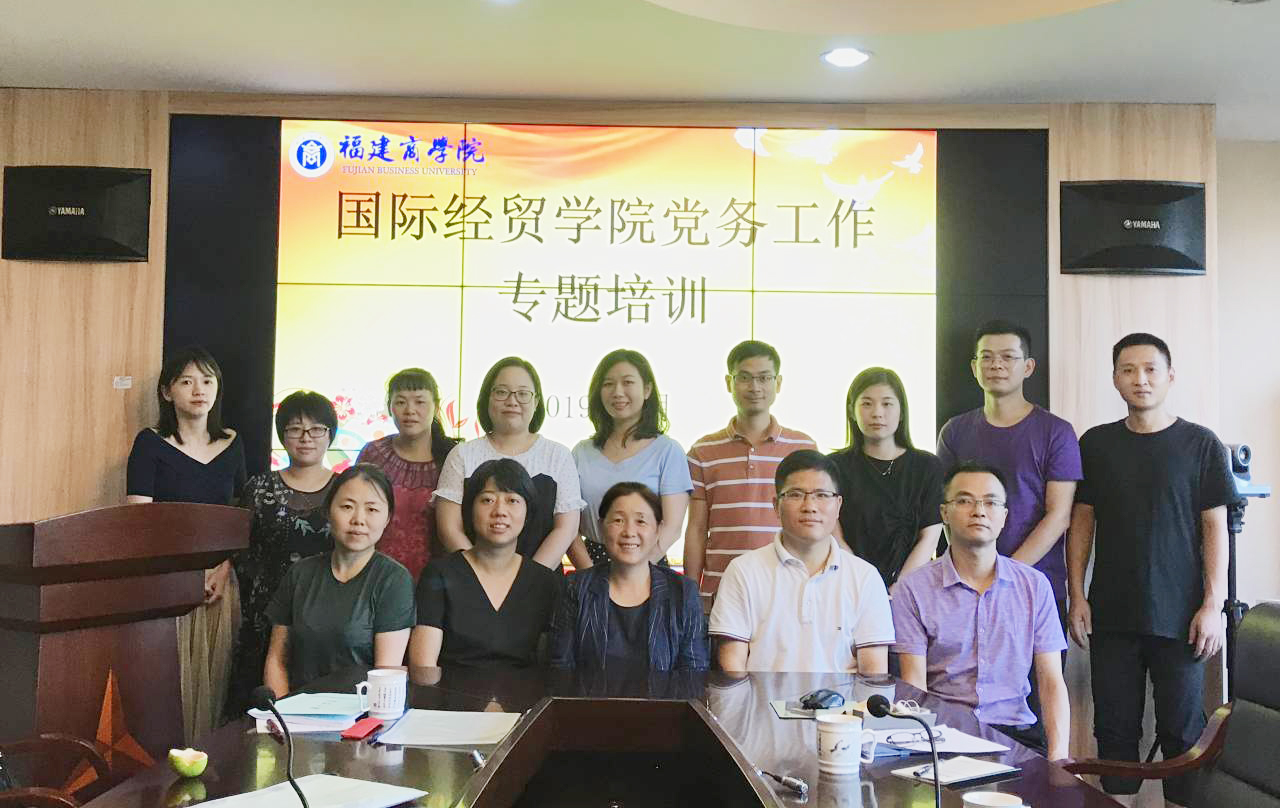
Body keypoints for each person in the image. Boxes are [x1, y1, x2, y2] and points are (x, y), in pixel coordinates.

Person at [1067, 333, 1235, 808]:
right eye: (1128, 370)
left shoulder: (1201, 444)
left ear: (1170, 376)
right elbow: (1081, 523)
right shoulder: (1096, 443)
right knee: (1114, 730)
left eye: (1150, 369)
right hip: (1112, 614)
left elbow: (1215, 527)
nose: (1139, 379)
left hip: (1182, 616)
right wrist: (1077, 595)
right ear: (1114, 378)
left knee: (1183, 732)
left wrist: (1212, 605)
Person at [891, 462, 1070, 760]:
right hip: (945, 736)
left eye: (991, 502)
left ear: (1004, 516)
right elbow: (914, 687)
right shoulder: (914, 589)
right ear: (944, 513)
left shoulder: (1034, 586)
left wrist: (1059, 759)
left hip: (1017, 737)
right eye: (964, 501)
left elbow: (1051, 680)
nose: (979, 511)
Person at [126, 346, 246, 742]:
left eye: (207, 381)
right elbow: (139, 522)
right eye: (187, 381)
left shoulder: (233, 443)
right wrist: (183, 577)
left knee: (217, 685)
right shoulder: (150, 443)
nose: (199, 390)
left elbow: (241, 516)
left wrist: (224, 567)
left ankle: (210, 767)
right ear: (167, 392)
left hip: (219, 583)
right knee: (167, 690)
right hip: (167, 584)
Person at [936, 321, 1082, 630]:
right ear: (974, 367)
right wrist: (971, 572)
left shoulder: (1056, 432)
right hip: (964, 589)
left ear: (1028, 367)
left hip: (1036, 587)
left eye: (1008, 357)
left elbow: (1059, 516)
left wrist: (1004, 574)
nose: (996, 365)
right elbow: (949, 509)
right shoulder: (955, 432)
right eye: (986, 357)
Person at [709, 450, 894, 673]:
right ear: (776, 505)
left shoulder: (865, 577)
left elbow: (874, 673)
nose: (810, 506)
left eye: (822, 495)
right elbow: (732, 666)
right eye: (796, 494)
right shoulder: (743, 571)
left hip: (842, 697)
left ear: (838, 505)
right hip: (760, 697)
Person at [685, 340, 817, 613]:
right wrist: (690, 592)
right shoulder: (702, 451)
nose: (755, 387)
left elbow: (814, 526)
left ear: (778, 383)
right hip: (721, 594)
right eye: (744, 377)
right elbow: (696, 529)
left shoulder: (803, 448)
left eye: (764, 378)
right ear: (729, 382)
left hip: (789, 593)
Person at [227, 390, 337, 716]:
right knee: (258, 707)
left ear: (330, 434)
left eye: (316, 429)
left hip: (324, 612)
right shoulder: (259, 487)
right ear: (282, 435)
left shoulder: (345, 489)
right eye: (295, 429)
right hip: (263, 613)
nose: (306, 438)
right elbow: (238, 548)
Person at [263, 464, 415, 695]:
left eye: (372, 509)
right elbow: (277, 660)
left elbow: (385, 675)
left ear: (387, 518)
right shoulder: (300, 573)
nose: (359, 519)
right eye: (347, 507)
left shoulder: (394, 580)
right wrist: (282, 710)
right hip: (295, 709)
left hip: (362, 711)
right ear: (327, 511)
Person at [410, 459, 562, 668]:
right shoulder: (439, 574)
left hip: (525, 690)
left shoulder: (545, 582)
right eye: (487, 500)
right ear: (470, 510)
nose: (500, 511)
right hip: (451, 689)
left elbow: (552, 665)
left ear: (528, 513)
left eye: (512, 500)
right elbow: (424, 666)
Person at [435, 357, 584, 569]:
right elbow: (450, 528)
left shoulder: (558, 456)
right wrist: (480, 577)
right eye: (502, 392)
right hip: (470, 580)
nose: (512, 401)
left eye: (523, 394)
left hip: (542, 580)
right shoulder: (462, 455)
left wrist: (528, 579)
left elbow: (565, 529)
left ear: (536, 402)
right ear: (487, 398)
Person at [550, 482, 707, 671]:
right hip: (587, 692)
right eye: (618, 520)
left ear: (658, 529)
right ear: (601, 527)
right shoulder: (575, 588)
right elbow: (561, 669)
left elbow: (693, 672)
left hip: (666, 692)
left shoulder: (683, 593)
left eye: (641, 521)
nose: (629, 532)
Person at [569, 349, 692, 568]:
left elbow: (671, 528)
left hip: (648, 565)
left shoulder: (668, 451)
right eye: (608, 384)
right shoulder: (581, 452)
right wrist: (588, 575)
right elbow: (568, 526)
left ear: (647, 390)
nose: (617, 392)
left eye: (627, 382)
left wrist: (634, 571)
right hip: (591, 563)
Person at [828, 367, 944, 587]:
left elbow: (929, 537)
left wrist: (900, 588)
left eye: (887, 404)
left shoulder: (927, 466)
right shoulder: (834, 467)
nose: (877, 413)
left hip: (912, 587)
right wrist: (866, 585)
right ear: (852, 411)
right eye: (867, 403)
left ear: (902, 412)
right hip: (849, 583)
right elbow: (835, 534)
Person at [356, 368, 459, 580]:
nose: (410, 410)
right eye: (401, 402)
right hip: (377, 576)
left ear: (436, 406)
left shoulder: (453, 457)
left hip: (439, 580)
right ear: (390, 407)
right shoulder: (372, 453)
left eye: (419, 402)